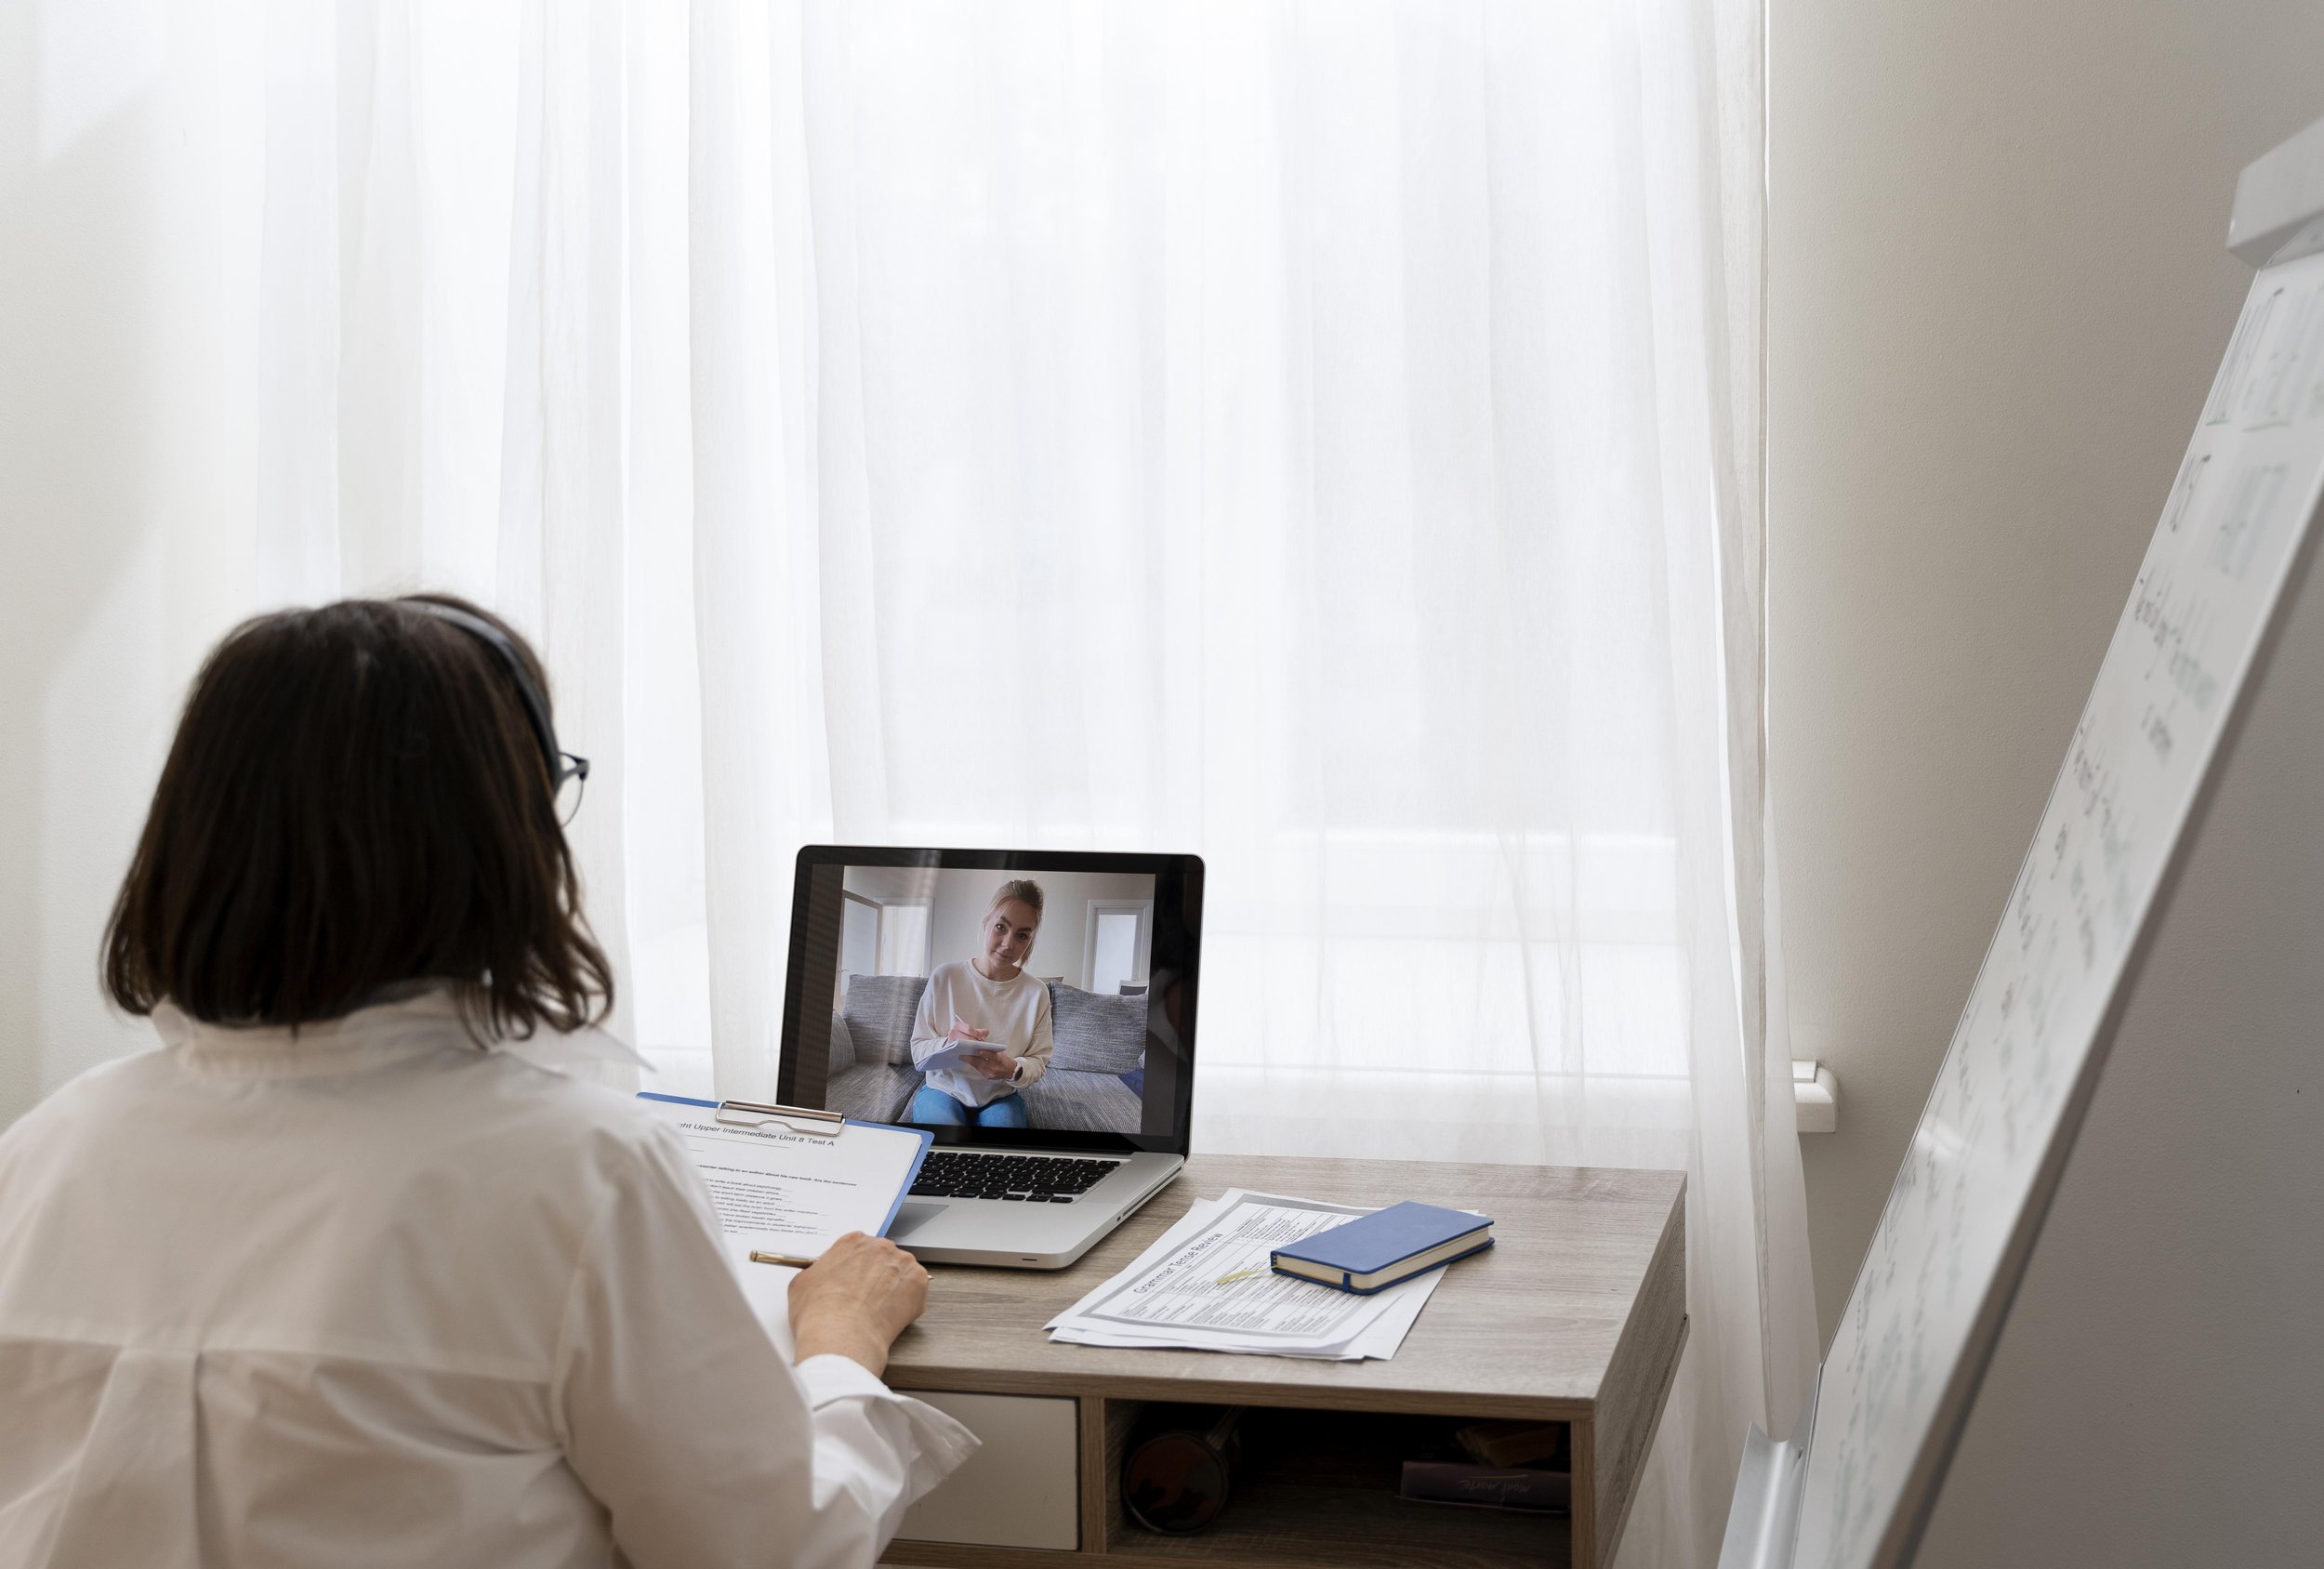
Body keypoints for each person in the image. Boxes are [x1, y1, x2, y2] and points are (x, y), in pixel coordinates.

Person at [0, 596, 972, 1569]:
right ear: (506, 843)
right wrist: (842, 1346)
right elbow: (772, 1551)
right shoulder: (582, 1173)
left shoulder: (45, 1148)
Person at [905, 880, 1055, 1128]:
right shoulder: (945, 977)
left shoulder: (1036, 993)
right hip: (943, 1091)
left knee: (1002, 1151)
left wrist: (1013, 1070)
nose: (1008, 944)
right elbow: (918, 1054)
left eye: (1022, 935)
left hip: (1001, 1096)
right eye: (1001, 926)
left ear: (1030, 940)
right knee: (943, 1148)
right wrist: (948, 1044)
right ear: (986, 922)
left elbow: (1038, 1062)